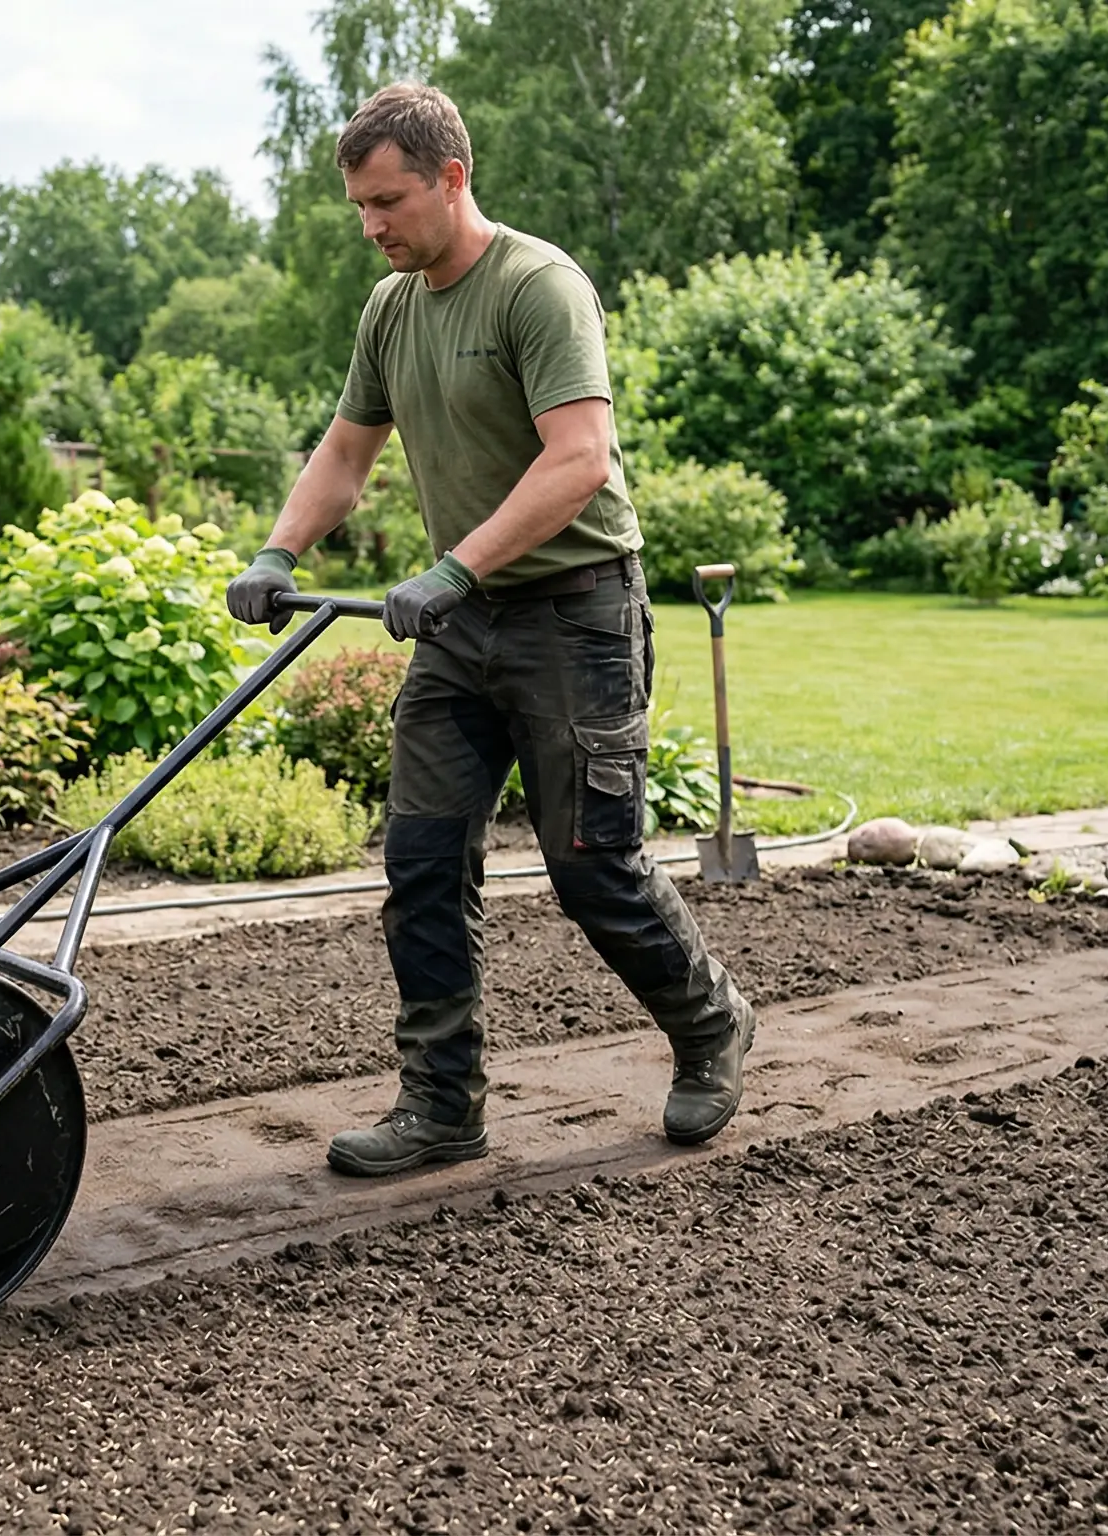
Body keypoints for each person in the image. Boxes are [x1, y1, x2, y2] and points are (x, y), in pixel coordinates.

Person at [226, 82, 756, 1177]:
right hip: (459, 630)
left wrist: (457, 564)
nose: (371, 225)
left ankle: (710, 1025)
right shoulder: (391, 309)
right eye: (359, 206)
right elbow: (345, 453)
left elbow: (578, 461)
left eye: (388, 201)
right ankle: (440, 1106)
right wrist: (279, 551)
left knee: (592, 867)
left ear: (451, 178)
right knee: (421, 863)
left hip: (574, 614)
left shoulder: (536, 287)